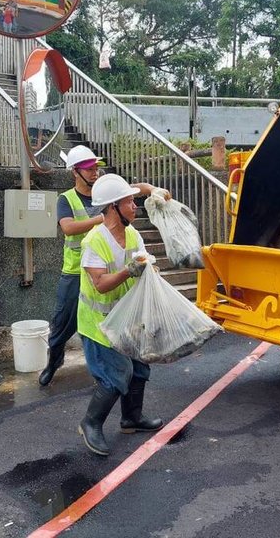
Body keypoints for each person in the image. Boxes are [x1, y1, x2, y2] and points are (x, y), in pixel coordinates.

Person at [38, 146, 164, 387]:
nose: (95, 172)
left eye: (97, 167)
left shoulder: (107, 191)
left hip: (106, 270)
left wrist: (155, 190)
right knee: (61, 325)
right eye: (89, 169)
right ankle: (53, 363)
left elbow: (140, 188)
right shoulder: (67, 199)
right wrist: (104, 216)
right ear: (76, 172)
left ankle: (108, 371)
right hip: (75, 271)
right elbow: (68, 228)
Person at [76, 174, 164, 456]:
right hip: (99, 325)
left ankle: (131, 419)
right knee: (116, 374)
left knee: (139, 367)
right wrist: (130, 270)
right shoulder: (94, 241)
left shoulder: (133, 235)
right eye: (129, 201)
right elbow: (100, 285)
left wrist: (151, 270)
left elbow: (143, 265)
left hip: (126, 318)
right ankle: (90, 424)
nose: (134, 205)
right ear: (113, 207)